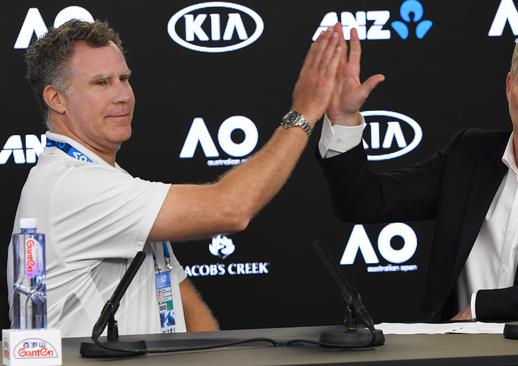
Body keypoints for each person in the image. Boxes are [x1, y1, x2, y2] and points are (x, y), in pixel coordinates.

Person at [8, 19, 344, 337]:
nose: (123, 95)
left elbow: (185, 303)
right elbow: (230, 209)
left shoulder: (106, 178)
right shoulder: (70, 186)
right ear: (56, 99)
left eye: (124, 79)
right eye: (101, 82)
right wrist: (305, 112)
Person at [317, 23, 518, 322]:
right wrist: (344, 120)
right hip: (456, 351)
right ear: (509, 86)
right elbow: (363, 203)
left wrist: (482, 307)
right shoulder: (468, 154)